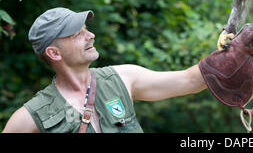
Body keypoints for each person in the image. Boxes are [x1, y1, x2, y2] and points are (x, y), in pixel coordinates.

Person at [2, 7, 208, 133]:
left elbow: (190, 81)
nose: (90, 35)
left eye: (86, 29)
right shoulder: (31, 116)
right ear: (55, 53)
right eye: (77, 33)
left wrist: (237, 49)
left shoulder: (124, 78)